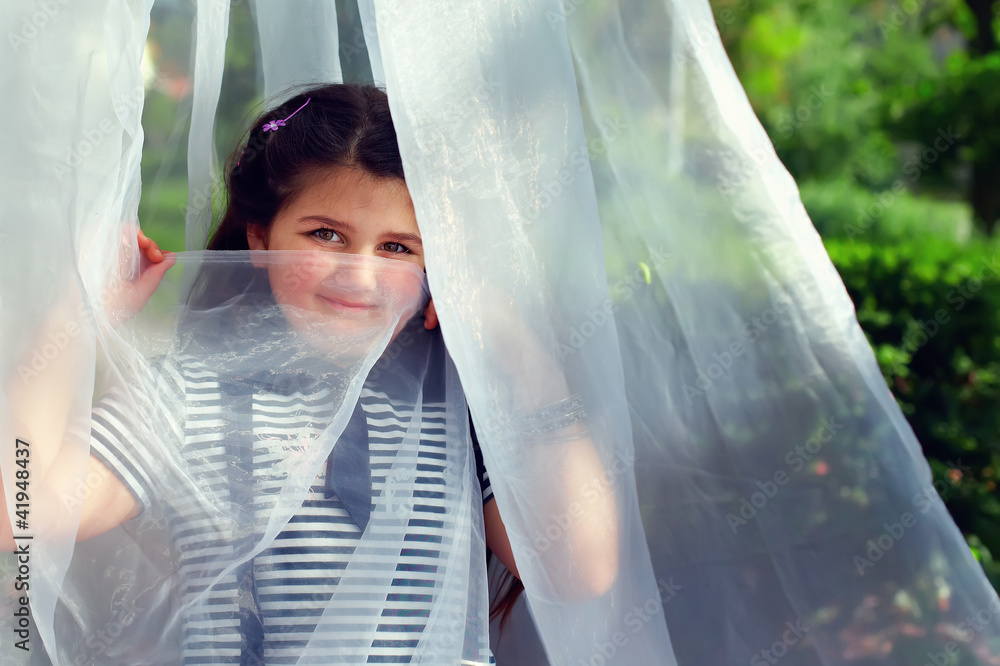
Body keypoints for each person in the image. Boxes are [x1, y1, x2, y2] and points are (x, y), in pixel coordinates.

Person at [2, 83, 617, 664]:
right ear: (259, 233)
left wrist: (509, 345)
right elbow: (17, 517)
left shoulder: (458, 407)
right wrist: (74, 319)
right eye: (327, 234)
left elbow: (580, 566)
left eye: (399, 248)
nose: (361, 276)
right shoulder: (188, 395)